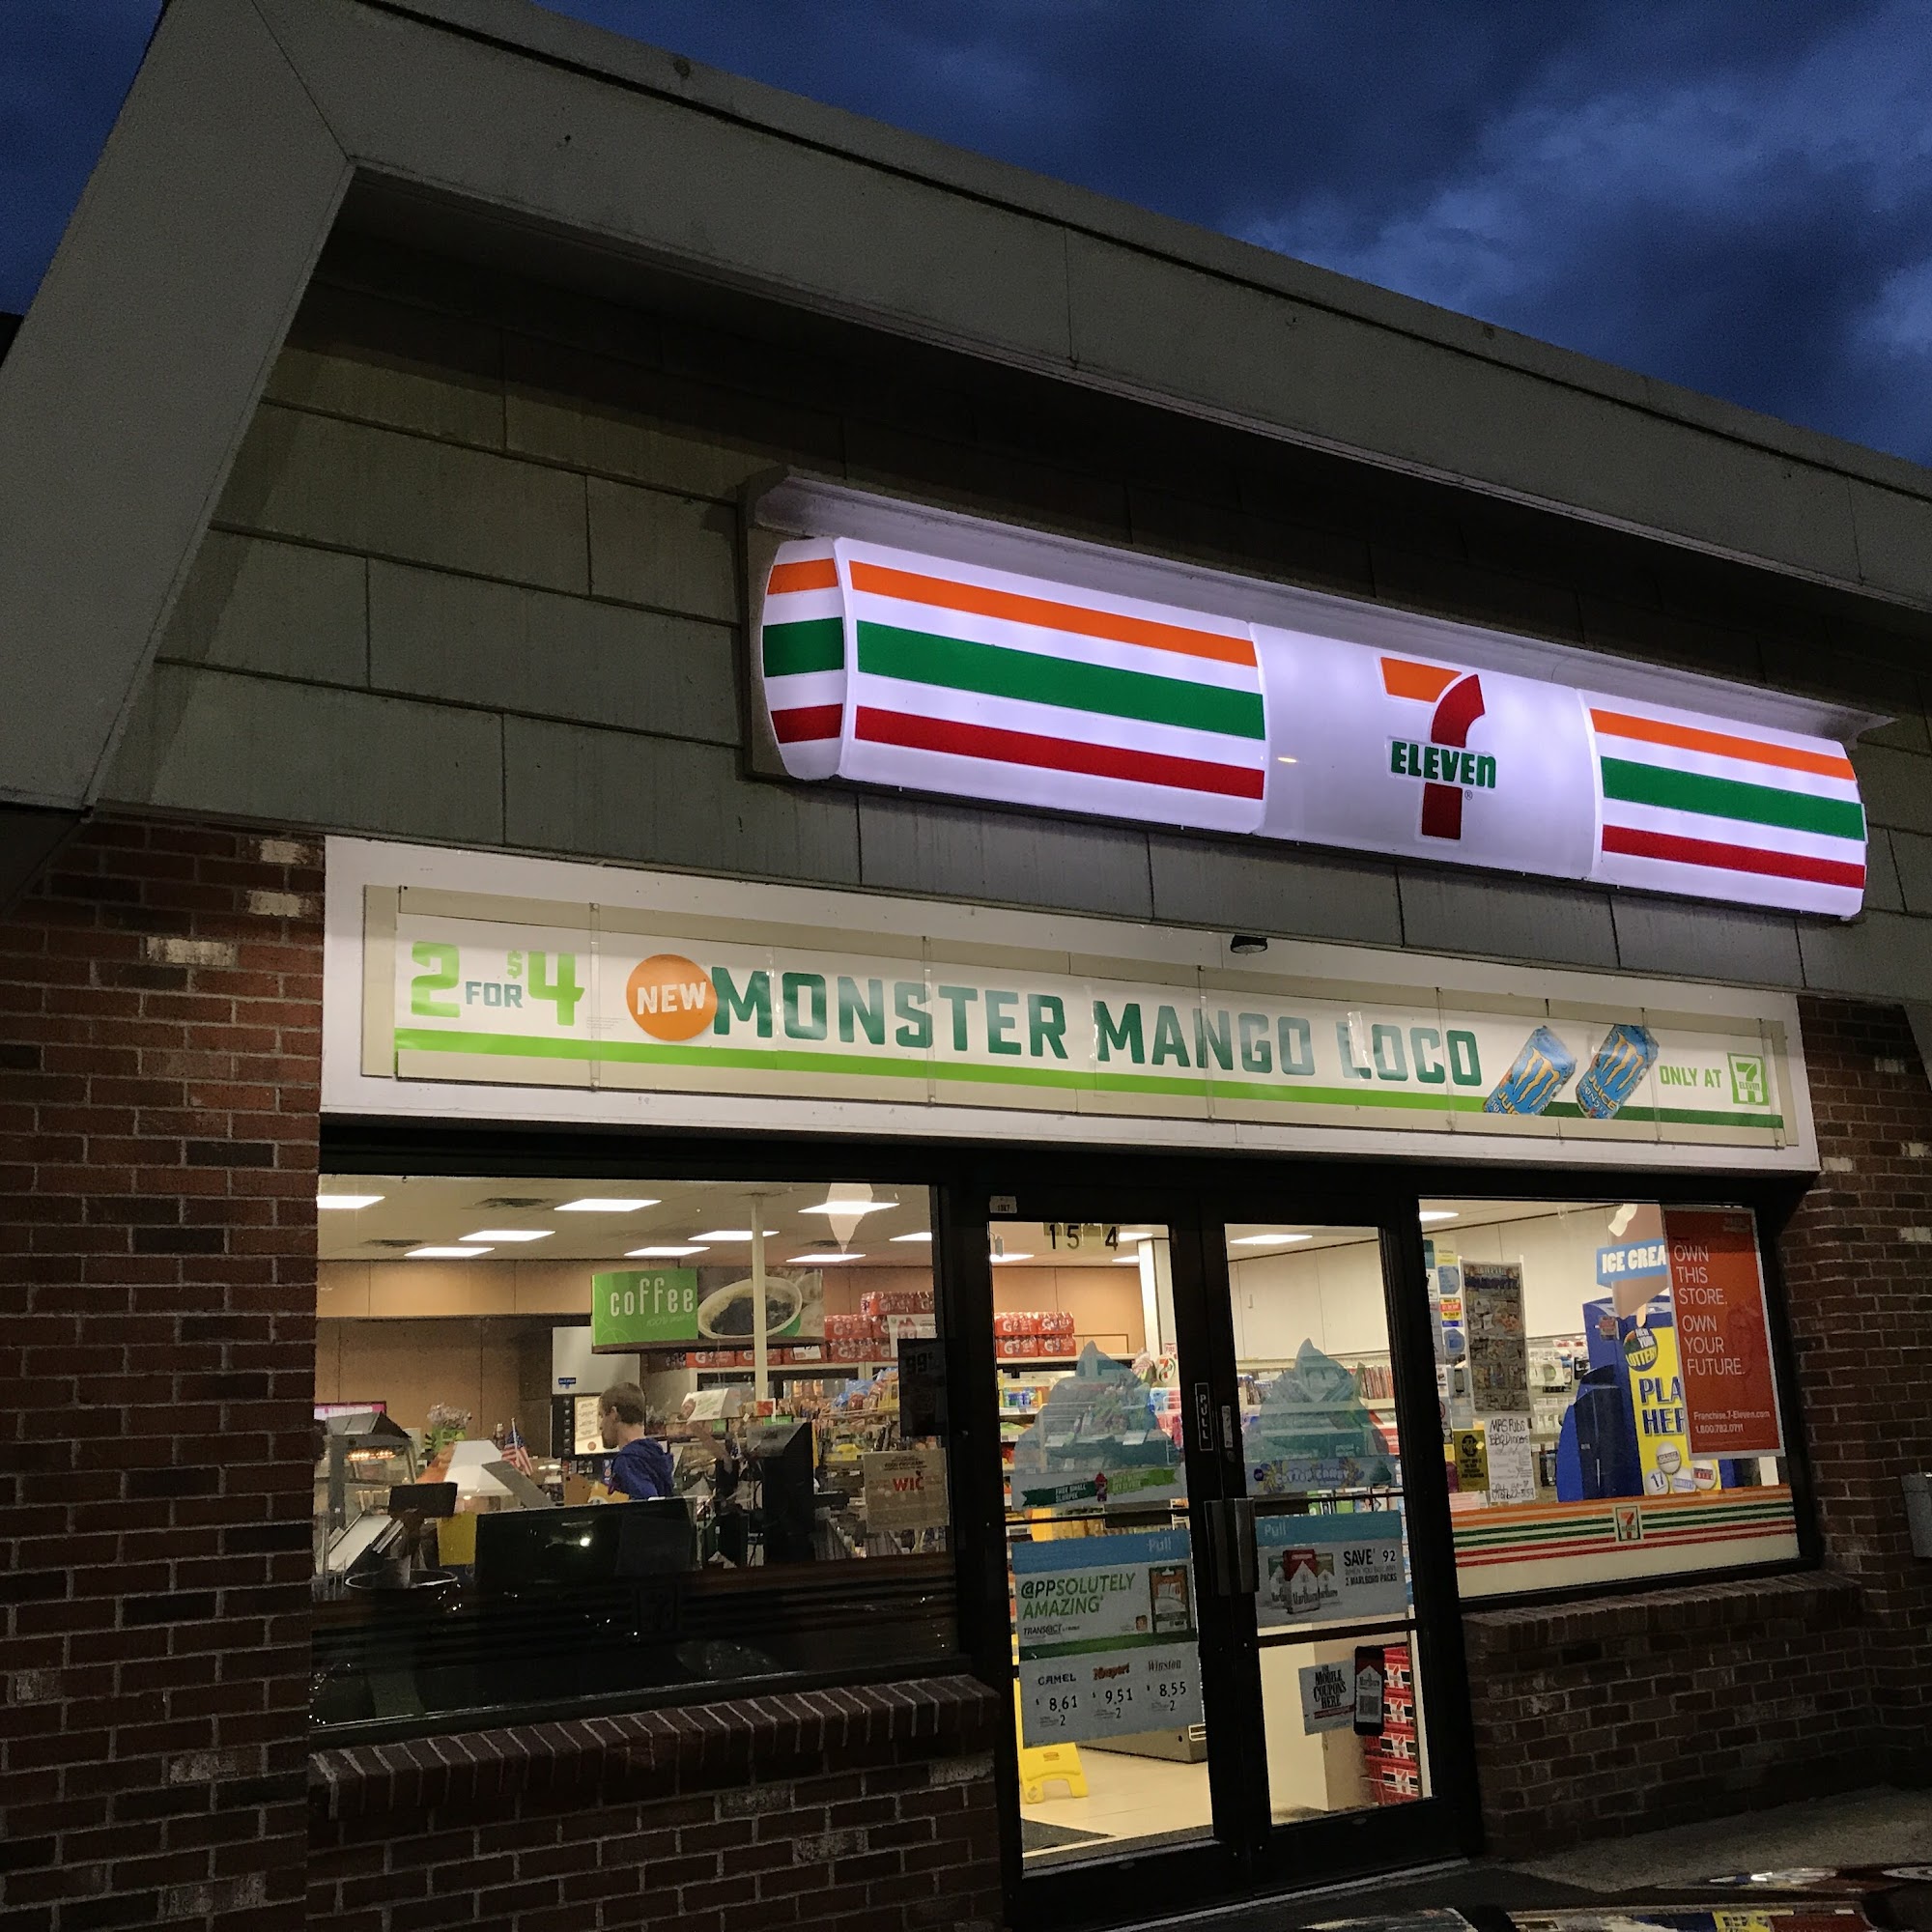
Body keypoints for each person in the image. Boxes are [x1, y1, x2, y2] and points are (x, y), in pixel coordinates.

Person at [597, 1381, 676, 1500]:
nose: (600, 1426)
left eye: (602, 1416)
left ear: (614, 1414)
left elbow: (646, 1505)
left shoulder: (628, 1461)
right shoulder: (655, 1453)